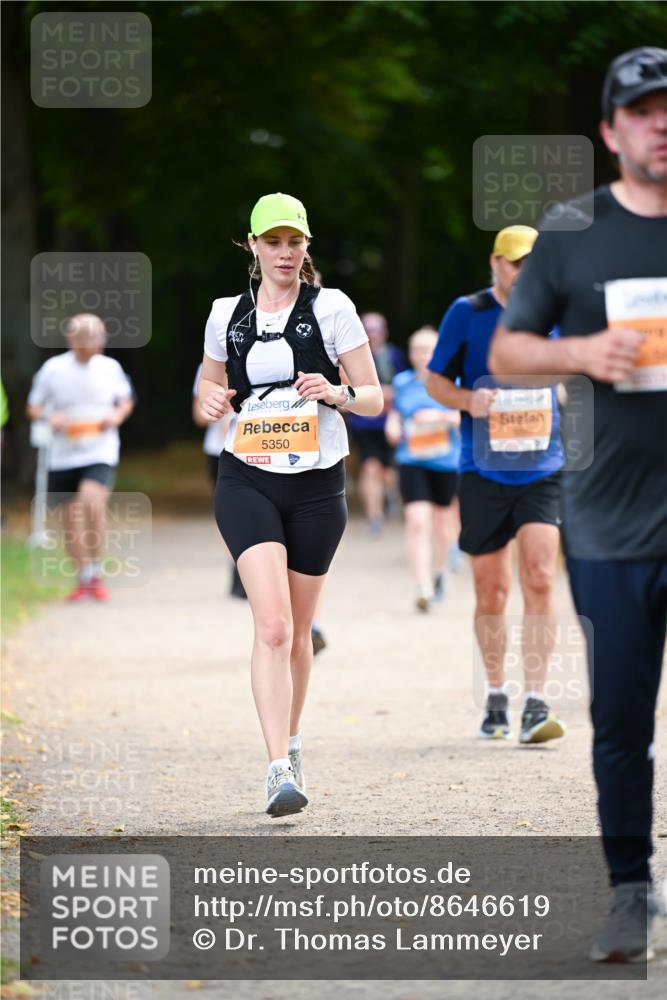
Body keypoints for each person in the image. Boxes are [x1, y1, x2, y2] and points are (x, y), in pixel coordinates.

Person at [489, 48, 667, 962]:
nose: (660, 123)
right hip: (610, 520)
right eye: (642, 110)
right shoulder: (570, 232)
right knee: (621, 719)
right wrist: (584, 353)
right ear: (609, 131)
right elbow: (509, 353)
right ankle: (629, 890)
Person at [197, 192, 382, 817]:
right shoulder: (227, 312)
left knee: (300, 632)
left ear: (306, 246)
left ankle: (294, 739)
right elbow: (207, 378)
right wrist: (210, 400)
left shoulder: (332, 309)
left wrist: (336, 390)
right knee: (272, 626)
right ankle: (278, 767)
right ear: (251, 246)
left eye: (294, 242)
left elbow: (375, 397)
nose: (284, 253)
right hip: (246, 477)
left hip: (316, 486)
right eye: (272, 242)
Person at [426, 227, 566, 745]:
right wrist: (468, 403)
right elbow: (434, 379)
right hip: (482, 470)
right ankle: (495, 692)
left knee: (540, 577)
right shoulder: (468, 312)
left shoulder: (556, 311)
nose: (524, 273)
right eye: (516, 264)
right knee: (492, 591)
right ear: (497, 264)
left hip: (543, 468)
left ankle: (535, 700)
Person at [26, 313, 135, 601]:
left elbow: (125, 401)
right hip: (62, 454)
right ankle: (83, 576)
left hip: (99, 450)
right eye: (90, 337)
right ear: (73, 339)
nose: (98, 342)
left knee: (91, 502)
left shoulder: (110, 368)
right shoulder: (53, 369)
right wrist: (52, 417)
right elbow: (33, 407)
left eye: (101, 336)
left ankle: (96, 569)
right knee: (69, 517)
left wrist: (116, 415)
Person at [385, 326, 461, 612]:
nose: (421, 355)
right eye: (416, 349)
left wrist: (439, 416)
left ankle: (441, 571)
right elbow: (396, 414)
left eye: (427, 349)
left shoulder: (452, 380)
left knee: (443, 526)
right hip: (412, 460)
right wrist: (393, 426)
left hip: (445, 461)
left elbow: (466, 415)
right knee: (417, 522)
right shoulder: (403, 382)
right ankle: (422, 586)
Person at [347, 312, 407, 536]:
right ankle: (375, 518)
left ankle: (390, 496)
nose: (373, 334)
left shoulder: (394, 355)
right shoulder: (353, 355)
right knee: (371, 467)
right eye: (368, 329)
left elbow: (404, 385)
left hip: (390, 422)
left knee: (389, 472)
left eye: (377, 329)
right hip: (364, 423)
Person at [192, 363, 247, 599]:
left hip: (258, 450)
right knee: (231, 516)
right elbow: (199, 417)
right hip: (220, 452)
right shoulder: (208, 367)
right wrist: (218, 407)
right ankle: (236, 569)